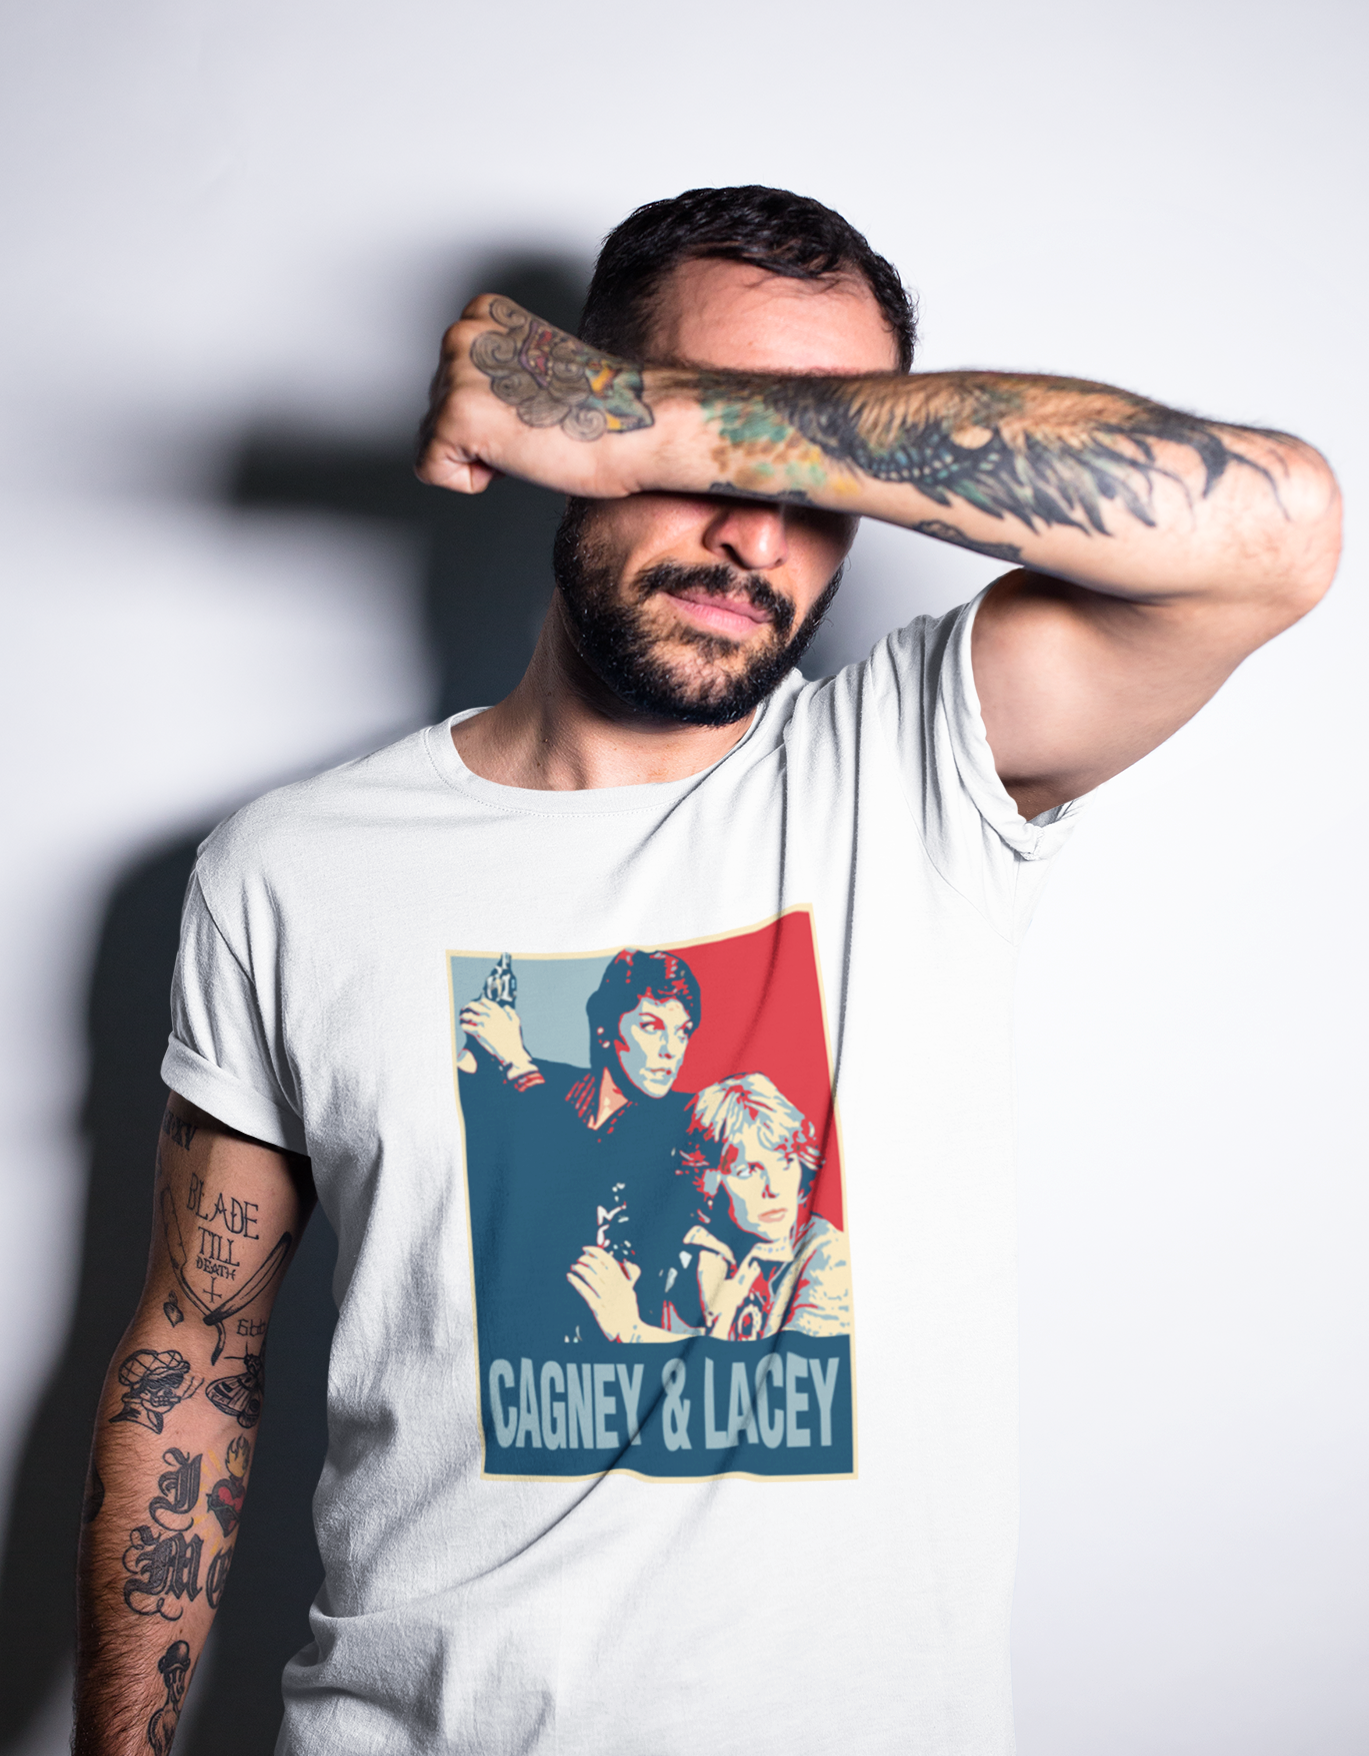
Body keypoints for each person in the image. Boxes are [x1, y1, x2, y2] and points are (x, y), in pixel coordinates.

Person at [75, 185, 1339, 1754]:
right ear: (568, 441)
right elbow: (197, 1357)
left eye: (804, 466)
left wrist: (664, 422)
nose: (754, 534)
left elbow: (1279, 526)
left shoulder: (914, 768)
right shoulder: (292, 872)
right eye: (698, 457)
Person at [457, 947, 704, 1342]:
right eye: (651, 1026)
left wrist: (517, 1063)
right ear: (605, 1029)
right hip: (506, 1332)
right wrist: (477, 1049)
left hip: (607, 1353)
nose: (671, 1049)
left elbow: (582, 1171)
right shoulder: (550, 1085)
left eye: (682, 1031)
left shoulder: (685, 1123)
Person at [569, 1070, 851, 1342]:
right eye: (748, 1171)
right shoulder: (685, 1251)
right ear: (707, 1178)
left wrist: (632, 1332)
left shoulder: (826, 1255)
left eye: (786, 1161)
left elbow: (798, 1369)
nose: (775, 1189)